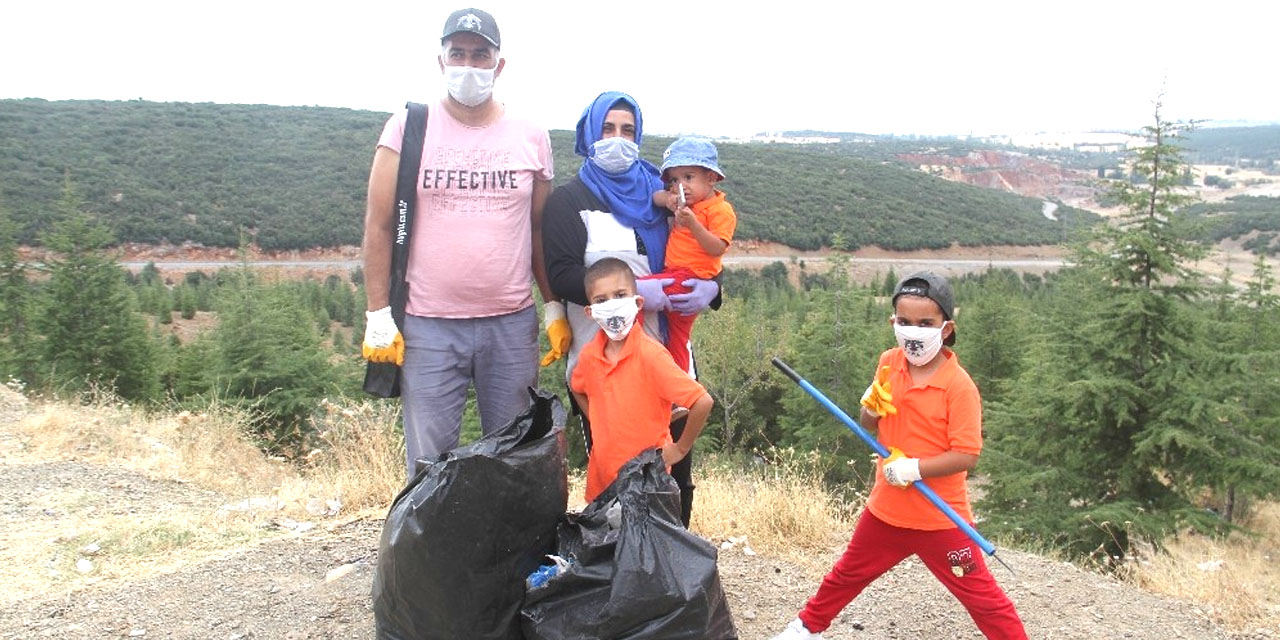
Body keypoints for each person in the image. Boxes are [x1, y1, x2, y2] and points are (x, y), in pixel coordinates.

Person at [772, 272, 1027, 640]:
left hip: (941, 518)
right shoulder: (889, 362)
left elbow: (967, 455)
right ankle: (804, 629)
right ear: (893, 322)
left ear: (947, 327)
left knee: (983, 599)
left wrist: (914, 469)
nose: (913, 331)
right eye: (904, 322)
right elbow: (869, 424)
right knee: (846, 576)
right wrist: (871, 409)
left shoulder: (959, 387)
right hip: (886, 513)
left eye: (925, 323)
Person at [361, 7, 556, 477]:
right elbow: (379, 224)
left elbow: (539, 229)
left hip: (510, 326)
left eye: (480, 55)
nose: (469, 65)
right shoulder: (408, 128)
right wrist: (378, 314)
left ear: (499, 65)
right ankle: (429, 553)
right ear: (442, 61)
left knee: (513, 458)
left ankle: (508, 552)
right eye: (458, 54)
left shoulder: (532, 136)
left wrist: (553, 305)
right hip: (428, 327)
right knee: (430, 463)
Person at [541, 90, 721, 526]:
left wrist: (713, 288)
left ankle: (673, 565)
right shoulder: (569, 202)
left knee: (674, 471)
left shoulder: (662, 196)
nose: (617, 138)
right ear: (588, 133)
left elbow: (695, 254)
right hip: (601, 360)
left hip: (665, 356)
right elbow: (561, 274)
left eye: (627, 130)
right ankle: (612, 569)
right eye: (607, 128)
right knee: (613, 473)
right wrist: (631, 292)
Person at [570, 258, 714, 503]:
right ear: (590, 312)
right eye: (601, 300)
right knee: (607, 540)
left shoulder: (652, 356)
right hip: (603, 482)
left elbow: (702, 401)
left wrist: (679, 449)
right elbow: (577, 388)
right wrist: (597, 419)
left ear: (637, 302)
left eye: (620, 295)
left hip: (648, 485)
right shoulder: (589, 357)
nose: (612, 305)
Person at [643, 136, 736, 374]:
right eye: (674, 179)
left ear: (711, 178)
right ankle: (681, 392)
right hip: (678, 276)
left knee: (627, 296)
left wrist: (693, 225)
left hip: (687, 279)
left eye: (688, 177)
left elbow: (717, 248)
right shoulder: (685, 204)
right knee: (677, 341)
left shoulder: (720, 210)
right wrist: (669, 199)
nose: (680, 185)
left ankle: (631, 356)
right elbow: (655, 198)